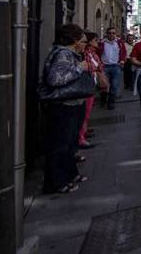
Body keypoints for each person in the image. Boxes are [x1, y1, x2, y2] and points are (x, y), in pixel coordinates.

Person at [41, 24, 92, 194]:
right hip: (64, 106)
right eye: (83, 41)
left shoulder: (71, 54)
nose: (85, 44)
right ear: (74, 40)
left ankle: (70, 174)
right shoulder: (63, 54)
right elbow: (55, 79)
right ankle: (56, 182)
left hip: (74, 104)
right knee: (60, 145)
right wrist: (80, 68)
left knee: (70, 144)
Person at [79, 31, 107, 149]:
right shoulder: (86, 54)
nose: (98, 42)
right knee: (84, 112)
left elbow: (98, 64)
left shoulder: (92, 52)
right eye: (95, 40)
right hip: (87, 84)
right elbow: (90, 67)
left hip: (91, 84)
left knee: (87, 111)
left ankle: (83, 132)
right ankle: (81, 138)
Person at [97, 27, 127, 110]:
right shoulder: (102, 43)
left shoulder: (119, 43)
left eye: (113, 33)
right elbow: (97, 53)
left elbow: (124, 52)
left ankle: (111, 102)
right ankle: (103, 99)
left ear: (115, 34)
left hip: (116, 66)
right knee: (104, 85)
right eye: (109, 33)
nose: (111, 35)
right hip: (104, 66)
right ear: (107, 34)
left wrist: (122, 61)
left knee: (114, 85)